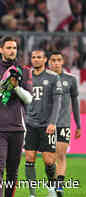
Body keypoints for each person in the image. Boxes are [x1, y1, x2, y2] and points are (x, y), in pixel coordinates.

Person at [0, 36, 32, 197]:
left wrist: (15, 87)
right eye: (8, 47)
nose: (12, 51)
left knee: (12, 171)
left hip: (17, 128)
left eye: (14, 48)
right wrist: (1, 84)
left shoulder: (25, 71)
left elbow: (29, 99)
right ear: (1, 49)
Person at [24, 49, 63, 197]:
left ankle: (52, 188)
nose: (36, 60)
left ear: (45, 59)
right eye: (33, 57)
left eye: (39, 57)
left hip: (47, 125)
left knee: (48, 161)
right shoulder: (26, 77)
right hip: (29, 124)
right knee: (29, 158)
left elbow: (57, 102)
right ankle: (32, 194)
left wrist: (53, 122)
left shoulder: (53, 77)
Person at [48, 51, 81, 197]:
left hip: (64, 123)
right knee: (50, 158)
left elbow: (75, 102)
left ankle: (58, 189)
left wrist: (78, 125)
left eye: (58, 60)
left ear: (63, 62)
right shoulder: (44, 79)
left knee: (60, 155)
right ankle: (52, 186)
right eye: (53, 60)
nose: (55, 62)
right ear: (49, 62)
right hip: (47, 125)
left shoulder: (71, 80)